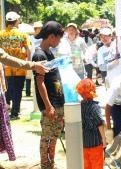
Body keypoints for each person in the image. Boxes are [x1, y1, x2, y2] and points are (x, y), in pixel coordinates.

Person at [32, 21, 65, 169]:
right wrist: (48, 105)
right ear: (51, 36)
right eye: (59, 38)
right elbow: (40, 83)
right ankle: (45, 165)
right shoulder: (39, 55)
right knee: (47, 137)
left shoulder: (50, 52)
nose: (60, 41)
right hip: (50, 104)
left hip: (57, 102)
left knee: (55, 135)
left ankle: (51, 163)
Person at [0, 11, 31, 120]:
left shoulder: (1, 34)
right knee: (18, 90)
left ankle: (6, 108)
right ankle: (15, 113)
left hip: (5, 68)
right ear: (16, 21)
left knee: (7, 89)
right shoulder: (22, 35)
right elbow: (29, 49)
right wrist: (30, 64)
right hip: (20, 67)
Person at [76, 78, 106, 169]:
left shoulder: (79, 106)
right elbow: (100, 123)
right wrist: (104, 139)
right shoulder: (95, 106)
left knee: (86, 165)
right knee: (97, 165)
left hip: (84, 141)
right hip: (95, 141)